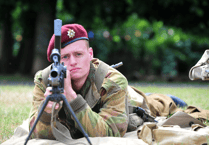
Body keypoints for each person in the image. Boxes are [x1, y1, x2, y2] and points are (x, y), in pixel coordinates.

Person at [29, 23, 186, 140]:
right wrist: (47, 112)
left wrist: (71, 97)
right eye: (65, 57)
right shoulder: (45, 80)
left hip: (133, 102)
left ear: (90, 54)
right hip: (104, 104)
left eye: (78, 54)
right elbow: (37, 133)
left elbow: (111, 135)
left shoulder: (113, 81)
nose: (73, 62)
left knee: (150, 103)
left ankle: (167, 98)